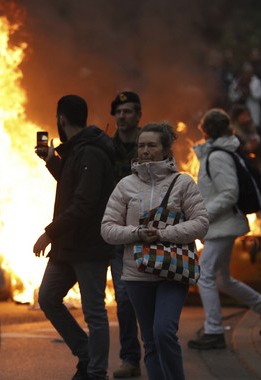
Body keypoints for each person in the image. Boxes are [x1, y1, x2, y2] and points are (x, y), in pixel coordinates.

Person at [101, 122, 208, 380]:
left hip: (173, 271)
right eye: (141, 146)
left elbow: (201, 223)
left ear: (165, 149)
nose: (145, 150)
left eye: (151, 145)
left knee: (163, 332)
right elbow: (107, 228)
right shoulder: (125, 185)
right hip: (137, 273)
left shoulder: (182, 183)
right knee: (149, 341)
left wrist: (162, 234)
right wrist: (136, 233)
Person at [33, 95, 116, 380]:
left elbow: (84, 203)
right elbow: (74, 186)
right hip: (69, 246)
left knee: (94, 312)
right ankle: (86, 352)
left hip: (89, 246)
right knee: (47, 297)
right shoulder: (77, 151)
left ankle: (96, 371)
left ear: (61, 118)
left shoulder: (91, 151)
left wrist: (48, 233)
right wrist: (52, 161)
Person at [187, 108, 261, 351]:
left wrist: (203, 214)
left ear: (206, 130)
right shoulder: (220, 153)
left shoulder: (218, 156)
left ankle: (214, 331)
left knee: (204, 275)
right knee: (221, 279)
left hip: (222, 226)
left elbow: (229, 192)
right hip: (221, 225)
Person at [108, 91, 143, 379]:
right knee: (124, 298)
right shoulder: (107, 148)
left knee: (151, 298)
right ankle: (130, 359)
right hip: (119, 236)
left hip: (148, 235)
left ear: (138, 115)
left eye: (128, 111)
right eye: (118, 111)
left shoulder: (150, 145)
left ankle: (157, 354)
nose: (122, 116)